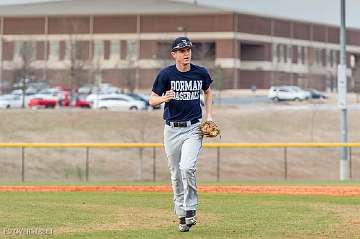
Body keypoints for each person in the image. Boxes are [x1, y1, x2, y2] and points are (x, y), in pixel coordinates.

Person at [149, 36, 213, 232]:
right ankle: (182, 215)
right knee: (176, 174)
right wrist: (163, 98)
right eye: (182, 51)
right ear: (174, 54)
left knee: (187, 167)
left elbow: (208, 91)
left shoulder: (200, 72)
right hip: (171, 130)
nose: (187, 54)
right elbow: (151, 100)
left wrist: (208, 116)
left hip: (193, 128)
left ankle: (191, 209)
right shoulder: (166, 74)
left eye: (188, 50)